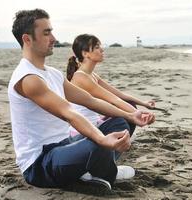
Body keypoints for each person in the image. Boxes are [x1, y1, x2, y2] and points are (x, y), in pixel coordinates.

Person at [8, 8, 155, 190]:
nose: (54, 38)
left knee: (120, 121)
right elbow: (68, 113)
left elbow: (90, 101)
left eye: (52, 31)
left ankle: (92, 171)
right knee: (99, 144)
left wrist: (131, 115)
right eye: (46, 33)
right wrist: (101, 140)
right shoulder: (28, 79)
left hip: (66, 145)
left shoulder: (53, 74)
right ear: (27, 39)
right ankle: (105, 171)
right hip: (40, 163)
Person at [66, 34, 155, 138]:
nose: (102, 50)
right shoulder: (81, 77)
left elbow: (119, 95)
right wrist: (138, 114)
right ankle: (114, 148)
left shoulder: (92, 75)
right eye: (97, 47)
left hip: (95, 124)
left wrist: (144, 104)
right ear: (85, 53)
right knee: (120, 120)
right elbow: (114, 100)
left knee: (129, 104)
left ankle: (120, 144)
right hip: (82, 132)